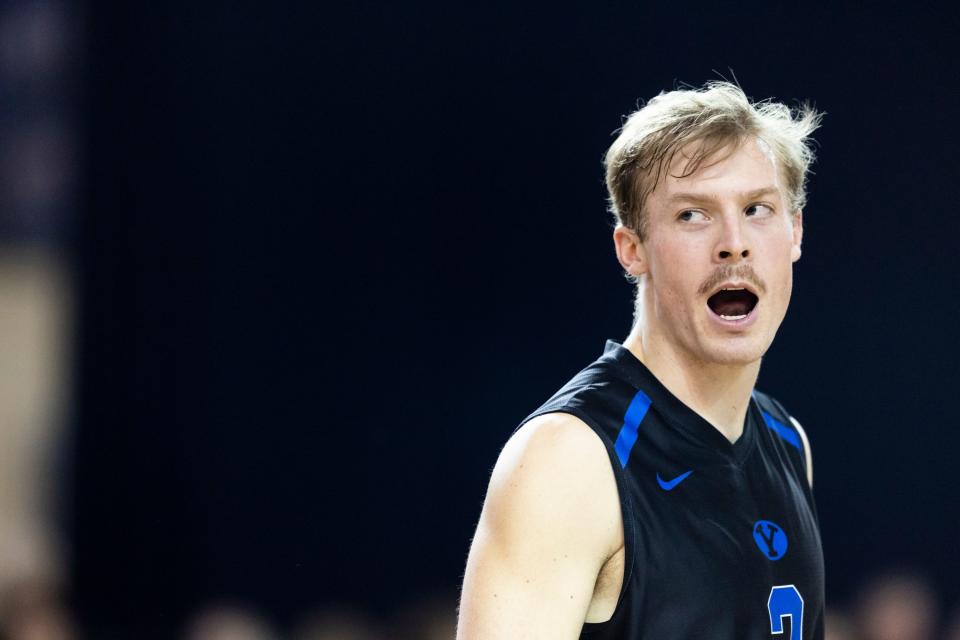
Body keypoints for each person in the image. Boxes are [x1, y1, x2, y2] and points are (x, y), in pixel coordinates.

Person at [456, 82, 825, 639]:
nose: (734, 242)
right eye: (692, 215)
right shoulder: (568, 460)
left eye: (757, 209)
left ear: (795, 231)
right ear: (633, 249)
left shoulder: (788, 441)